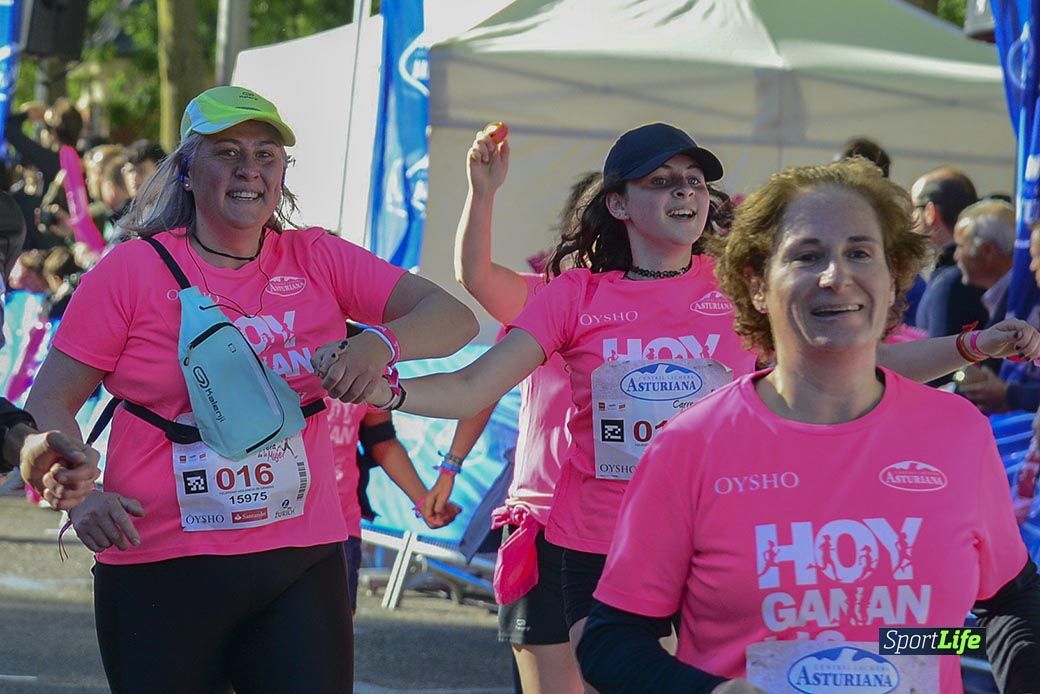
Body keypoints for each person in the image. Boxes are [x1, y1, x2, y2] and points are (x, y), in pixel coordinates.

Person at [325, 123, 1040, 689]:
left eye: (695, 181)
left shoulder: (739, 294)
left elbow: (868, 360)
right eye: (662, 181)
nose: (685, 193)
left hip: (700, 546)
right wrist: (384, 390)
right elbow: (476, 383)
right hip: (583, 546)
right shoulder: (577, 294)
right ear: (617, 202)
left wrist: (971, 344)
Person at [24, 85, 477, 693]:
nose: (249, 169)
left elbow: (454, 319)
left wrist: (378, 344)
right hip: (161, 566)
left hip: (298, 563)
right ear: (186, 169)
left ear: (283, 172)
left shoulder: (317, 257)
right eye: (227, 151)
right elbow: (50, 399)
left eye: (267, 154)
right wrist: (82, 496)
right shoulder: (131, 270)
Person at [577, 159, 1040, 693]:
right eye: (807, 255)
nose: (836, 276)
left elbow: (1007, 603)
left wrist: (926, 644)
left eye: (860, 253)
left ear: (893, 281)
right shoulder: (690, 445)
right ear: (755, 284)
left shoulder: (958, 432)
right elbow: (612, 639)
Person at [437, 128, 598, 693]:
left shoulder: (685, 307)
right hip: (545, 523)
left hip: (637, 529)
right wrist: (483, 193)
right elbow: (476, 279)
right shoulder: (552, 296)